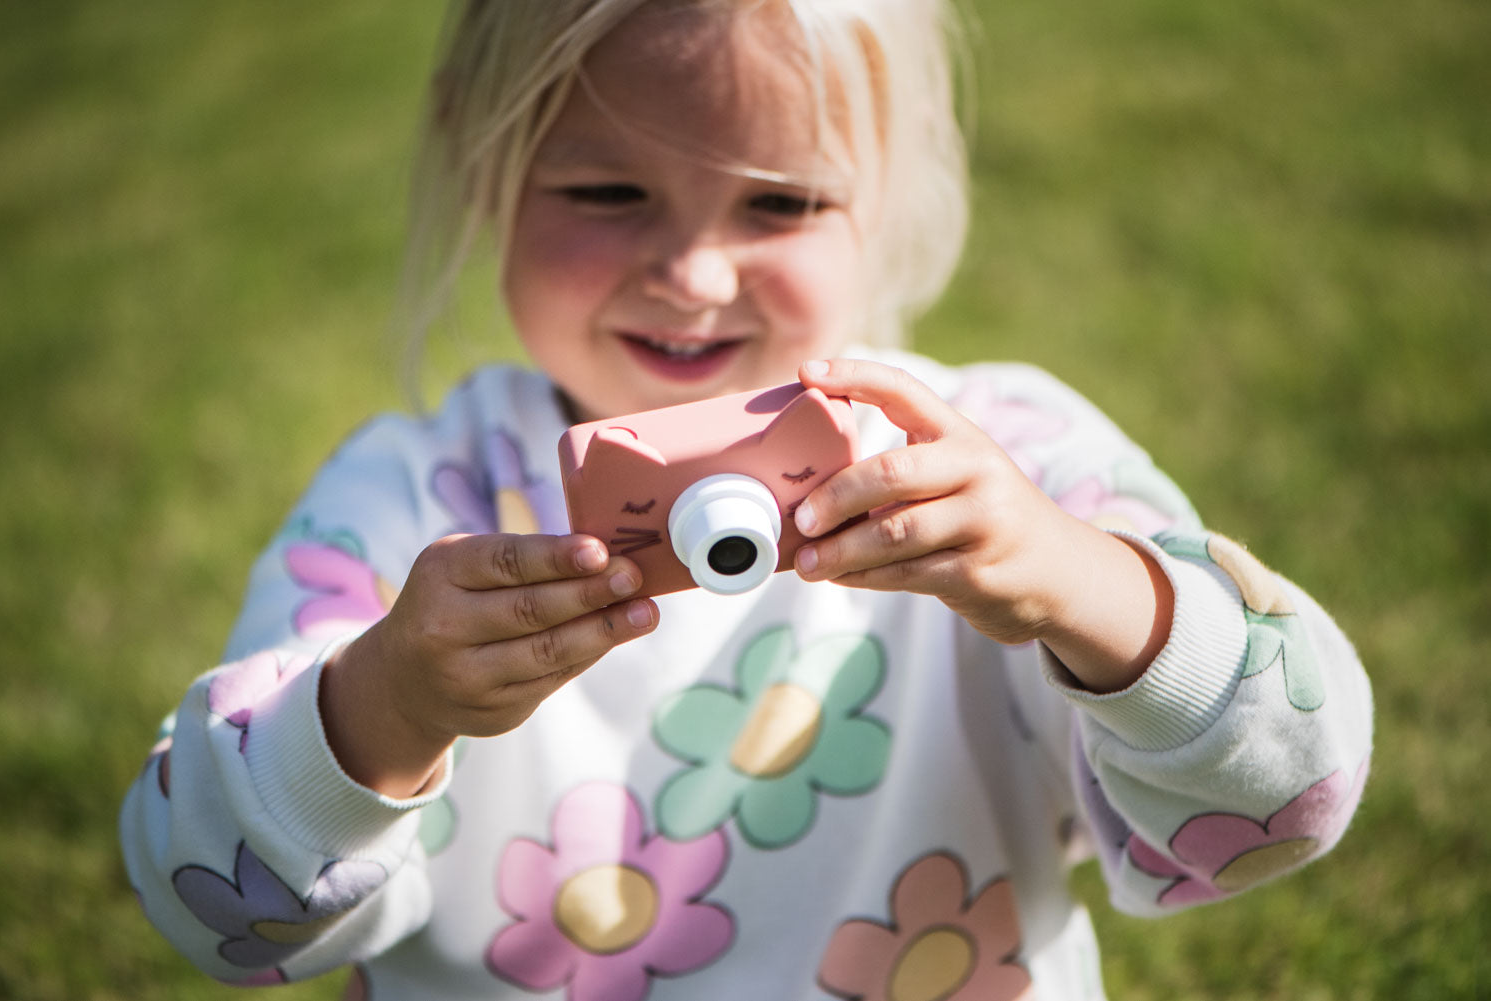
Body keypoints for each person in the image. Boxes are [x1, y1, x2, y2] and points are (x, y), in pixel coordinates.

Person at [120, 1, 1373, 998]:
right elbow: (214, 902)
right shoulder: (408, 506)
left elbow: (1283, 798)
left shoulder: (1000, 466)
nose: (693, 269)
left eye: (781, 200)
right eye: (607, 193)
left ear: (888, 185)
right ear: (482, 154)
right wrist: (386, 704)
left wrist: (1077, 584)